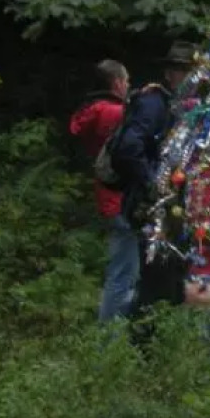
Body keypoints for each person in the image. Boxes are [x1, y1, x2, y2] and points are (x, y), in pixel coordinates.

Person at [112, 41, 197, 326]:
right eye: (177, 70)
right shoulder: (154, 103)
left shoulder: (188, 109)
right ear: (169, 73)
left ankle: (157, 344)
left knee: (172, 279)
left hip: (175, 209)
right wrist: (155, 184)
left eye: (187, 71)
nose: (182, 76)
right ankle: (140, 346)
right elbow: (128, 148)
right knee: (154, 281)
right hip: (152, 208)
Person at [68, 59, 134, 321]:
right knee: (123, 274)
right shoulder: (116, 113)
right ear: (117, 83)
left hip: (108, 196)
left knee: (124, 270)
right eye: (126, 81)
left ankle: (116, 333)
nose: (128, 86)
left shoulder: (90, 111)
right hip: (123, 199)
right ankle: (110, 339)